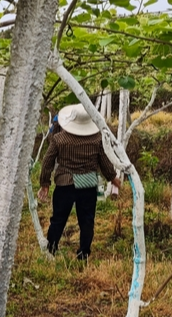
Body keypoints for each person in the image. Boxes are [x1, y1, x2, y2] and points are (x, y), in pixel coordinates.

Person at [37, 104, 122, 260]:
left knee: (58, 219)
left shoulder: (59, 139)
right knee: (87, 220)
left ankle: (51, 249)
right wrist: (113, 178)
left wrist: (45, 183)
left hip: (65, 183)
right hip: (88, 184)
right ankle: (83, 253)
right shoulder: (96, 139)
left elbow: (47, 162)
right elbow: (104, 162)